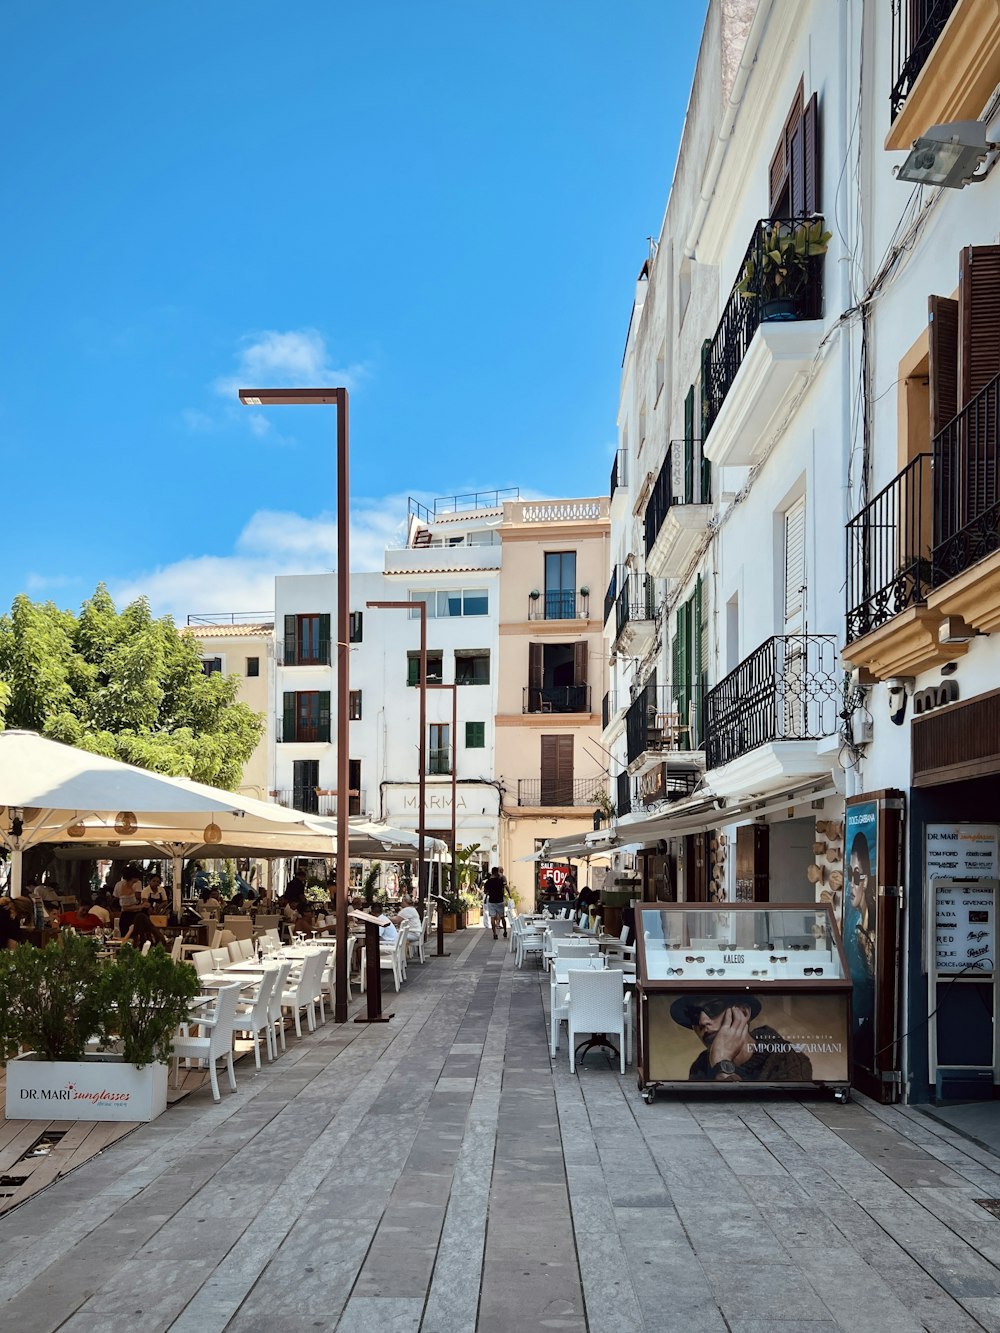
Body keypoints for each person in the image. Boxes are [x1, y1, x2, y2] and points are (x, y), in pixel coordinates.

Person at [670, 993, 813, 1082]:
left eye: (714, 1008)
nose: (703, 1021)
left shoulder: (787, 1058)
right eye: (694, 1015)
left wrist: (722, 1065)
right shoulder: (701, 1064)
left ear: (743, 1013)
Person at [483, 867, 508, 940]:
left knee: (492, 917)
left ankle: (494, 933)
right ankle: (505, 931)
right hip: (500, 900)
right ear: (497, 872)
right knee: (502, 917)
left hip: (492, 901)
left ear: (491, 872)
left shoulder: (488, 882)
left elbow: (485, 891)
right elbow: (503, 889)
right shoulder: (500, 880)